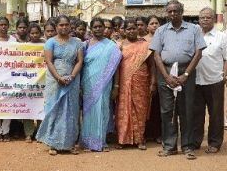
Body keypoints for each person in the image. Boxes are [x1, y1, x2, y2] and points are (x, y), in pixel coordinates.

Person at [150, 0, 206, 160]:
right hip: (165, 72)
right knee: (167, 111)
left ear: (182, 12)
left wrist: (186, 75)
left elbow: (198, 53)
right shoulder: (160, 31)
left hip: (186, 72)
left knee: (187, 110)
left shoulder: (194, 29)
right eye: (169, 11)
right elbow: (156, 55)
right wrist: (167, 77)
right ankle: (169, 146)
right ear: (166, 13)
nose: (172, 14)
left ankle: (188, 146)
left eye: (176, 11)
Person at [36, 15, 83, 155]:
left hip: (72, 81)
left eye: (66, 24)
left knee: (71, 111)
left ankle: (70, 144)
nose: (64, 27)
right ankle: (53, 144)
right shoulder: (50, 42)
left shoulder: (77, 42)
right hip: (54, 80)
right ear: (56, 27)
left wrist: (72, 76)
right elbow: (49, 61)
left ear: (70, 26)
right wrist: (58, 78)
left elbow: (79, 61)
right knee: (54, 109)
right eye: (61, 25)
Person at [192, 7, 227, 153]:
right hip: (196, 81)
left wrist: (225, 75)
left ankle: (215, 143)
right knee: (196, 114)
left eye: (208, 17)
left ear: (214, 20)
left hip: (215, 81)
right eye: (202, 17)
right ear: (198, 19)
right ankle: (195, 142)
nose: (205, 20)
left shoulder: (221, 36)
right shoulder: (194, 36)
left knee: (215, 114)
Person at [80, 18, 122, 152]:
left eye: (100, 27)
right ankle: (87, 142)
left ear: (104, 28)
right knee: (88, 112)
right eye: (95, 27)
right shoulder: (85, 45)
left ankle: (100, 142)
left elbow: (115, 68)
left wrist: (116, 86)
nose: (98, 29)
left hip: (105, 84)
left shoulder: (111, 46)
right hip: (88, 83)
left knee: (103, 110)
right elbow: (81, 66)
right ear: (91, 29)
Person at [116, 18, 155, 150]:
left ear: (137, 29)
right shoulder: (119, 45)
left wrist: (153, 82)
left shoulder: (145, 45)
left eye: (134, 28)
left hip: (141, 82)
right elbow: (115, 66)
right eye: (128, 29)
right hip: (124, 82)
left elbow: (152, 65)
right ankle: (123, 139)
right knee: (123, 109)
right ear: (124, 31)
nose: (131, 31)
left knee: (140, 110)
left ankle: (140, 139)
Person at [143, 15, 162, 143]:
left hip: (162, 74)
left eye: (156, 23)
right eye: (152, 23)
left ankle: (159, 133)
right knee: (146, 105)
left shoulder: (163, 38)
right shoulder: (142, 41)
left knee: (159, 105)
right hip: (145, 76)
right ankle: (147, 133)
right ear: (147, 26)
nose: (154, 25)